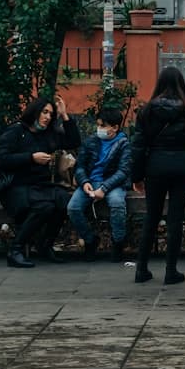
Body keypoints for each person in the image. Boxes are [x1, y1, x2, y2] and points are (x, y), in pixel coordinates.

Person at [130, 67, 185, 285]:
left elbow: (137, 147)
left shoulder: (146, 111)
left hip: (155, 167)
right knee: (175, 219)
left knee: (151, 217)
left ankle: (141, 269)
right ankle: (170, 271)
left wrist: (136, 177)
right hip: (183, 169)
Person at [0, 94, 81, 268]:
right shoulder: (16, 132)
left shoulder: (48, 134)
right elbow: (1, 159)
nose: (48, 117)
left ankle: (45, 246)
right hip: (15, 187)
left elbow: (73, 141)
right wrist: (30, 158)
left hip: (39, 185)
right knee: (44, 206)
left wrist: (64, 115)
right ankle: (15, 250)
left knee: (64, 201)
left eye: (51, 114)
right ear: (35, 112)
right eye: (44, 112)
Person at [67, 107, 131, 264]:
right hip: (90, 182)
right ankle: (90, 240)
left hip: (113, 183)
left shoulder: (124, 144)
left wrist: (104, 188)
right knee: (73, 208)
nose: (99, 129)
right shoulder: (91, 141)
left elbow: (123, 171)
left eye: (103, 126)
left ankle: (118, 243)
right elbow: (80, 166)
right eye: (98, 125)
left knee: (117, 203)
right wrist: (85, 182)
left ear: (115, 127)